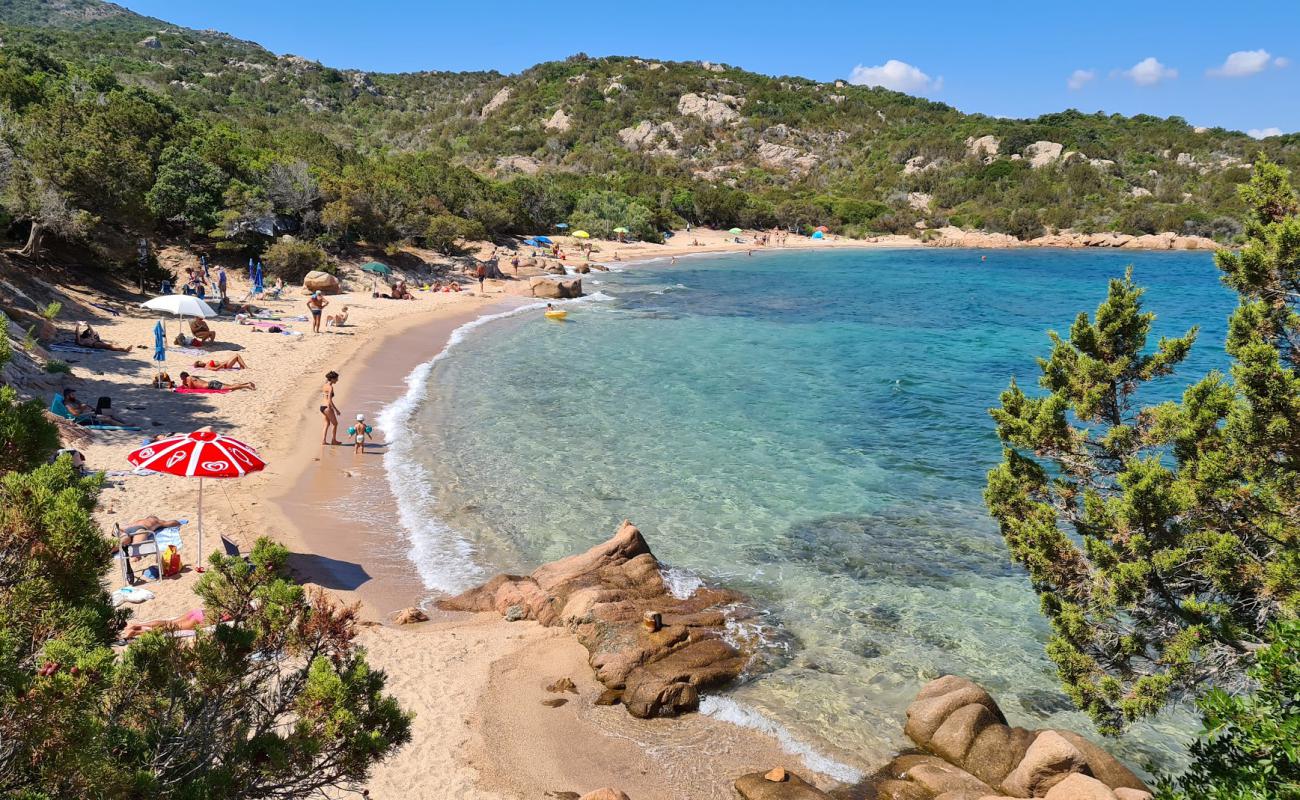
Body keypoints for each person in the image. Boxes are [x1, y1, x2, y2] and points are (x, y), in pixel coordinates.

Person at [121, 607, 213, 641]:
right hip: (200, 619)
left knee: (168, 622)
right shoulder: (226, 610)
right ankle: (136, 632)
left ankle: (136, 625)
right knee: (168, 628)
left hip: (198, 611)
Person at [114, 515, 183, 554]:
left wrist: (120, 532)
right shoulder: (155, 521)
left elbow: (119, 529)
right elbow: (171, 523)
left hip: (128, 531)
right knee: (136, 548)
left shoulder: (138, 521)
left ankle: (108, 552)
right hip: (140, 529)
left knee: (121, 542)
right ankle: (135, 557)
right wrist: (178, 522)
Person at [63, 388, 128, 425]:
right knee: (107, 418)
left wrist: (93, 409)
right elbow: (75, 414)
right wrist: (82, 408)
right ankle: (124, 426)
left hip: (90, 413)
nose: (74, 395)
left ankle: (124, 423)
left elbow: (84, 406)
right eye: (72, 394)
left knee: (110, 411)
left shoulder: (74, 401)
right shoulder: (67, 404)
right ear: (67, 396)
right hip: (82, 418)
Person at [178, 371, 255, 391]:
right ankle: (246, 383)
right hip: (212, 382)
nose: (182, 380)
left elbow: (191, 389)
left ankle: (246, 386)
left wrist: (184, 385)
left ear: (183, 377)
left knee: (230, 388)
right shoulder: (193, 377)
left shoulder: (189, 378)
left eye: (181, 378)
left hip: (211, 385)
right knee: (230, 385)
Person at [320, 371, 341, 445]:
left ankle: (323, 441)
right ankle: (334, 440)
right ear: (332, 379)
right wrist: (336, 410)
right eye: (336, 378)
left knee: (326, 423)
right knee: (335, 424)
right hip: (327, 407)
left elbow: (325, 397)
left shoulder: (325, 385)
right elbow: (329, 400)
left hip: (322, 407)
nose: (337, 380)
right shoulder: (330, 387)